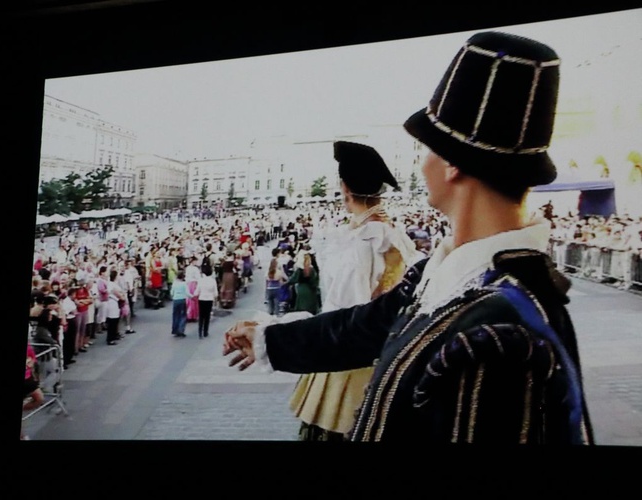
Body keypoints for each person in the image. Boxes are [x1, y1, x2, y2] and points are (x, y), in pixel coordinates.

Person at [223, 31, 595, 445]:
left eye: (426, 150)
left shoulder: (498, 334)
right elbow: (365, 326)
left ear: (452, 163)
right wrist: (268, 339)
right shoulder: (455, 275)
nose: (422, 165)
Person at [286, 140, 417, 441]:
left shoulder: (360, 242)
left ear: (344, 187)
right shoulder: (394, 234)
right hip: (385, 357)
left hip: (349, 360)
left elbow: (343, 312)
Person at [193, 265, 218, 339]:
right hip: (209, 299)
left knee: (201, 316)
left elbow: (196, 292)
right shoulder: (213, 281)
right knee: (207, 316)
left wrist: (194, 295)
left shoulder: (200, 280)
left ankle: (200, 331)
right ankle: (205, 332)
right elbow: (216, 293)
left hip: (202, 299)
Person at [170, 270, 188, 338]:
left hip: (175, 300)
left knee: (175, 315)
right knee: (183, 315)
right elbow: (187, 292)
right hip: (182, 300)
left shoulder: (174, 283)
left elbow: (171, 292)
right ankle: (181, 330)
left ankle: (175, 329)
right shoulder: (184, 284)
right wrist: (192, 296)